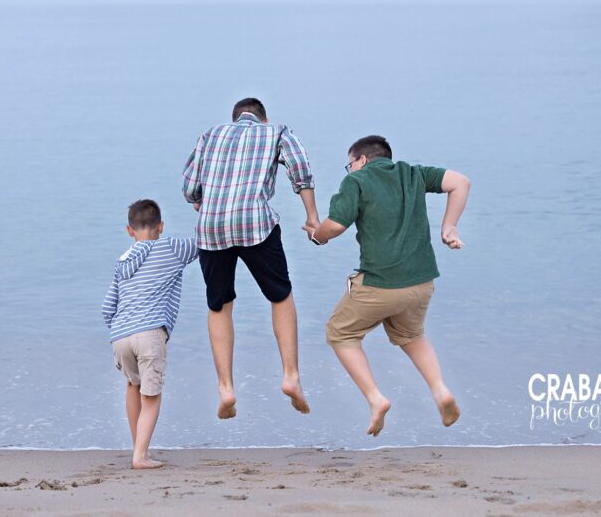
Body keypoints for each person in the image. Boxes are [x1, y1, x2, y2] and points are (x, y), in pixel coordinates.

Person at [308, 135, 470, 437]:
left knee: (340, 333)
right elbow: (461, 182)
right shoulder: (413, 173)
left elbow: (336, 225)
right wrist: (449, 226)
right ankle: (440, 391)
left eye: (350, 164)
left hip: (380, 285)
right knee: (411, 334)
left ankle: (375, 398)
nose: (350, 170)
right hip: (421, 284)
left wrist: (318, 234)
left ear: (362, 160)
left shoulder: (356, 181)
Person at [182, 97, 320, 419]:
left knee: (219, 305)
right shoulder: (276, 132)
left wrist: (203, 200)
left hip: (211, 229)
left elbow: (190, 188)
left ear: (234, 119)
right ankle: (290, 377)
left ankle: (226, 388)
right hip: (255, 223)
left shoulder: (210, 135)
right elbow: (301, 169)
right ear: (263, 117)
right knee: (281, 296)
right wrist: (312, 217)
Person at [102, 199, 199, 469]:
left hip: (121, 334)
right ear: (161, 226)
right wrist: (203, 207)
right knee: (151, 396)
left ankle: (138, 447)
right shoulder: (170, 247)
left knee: (133, 385)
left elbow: (107, 307)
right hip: (150, 332)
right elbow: (204, 241)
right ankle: (140, 456)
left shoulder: (121, 263)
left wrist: (120, 327)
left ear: (129, 231)